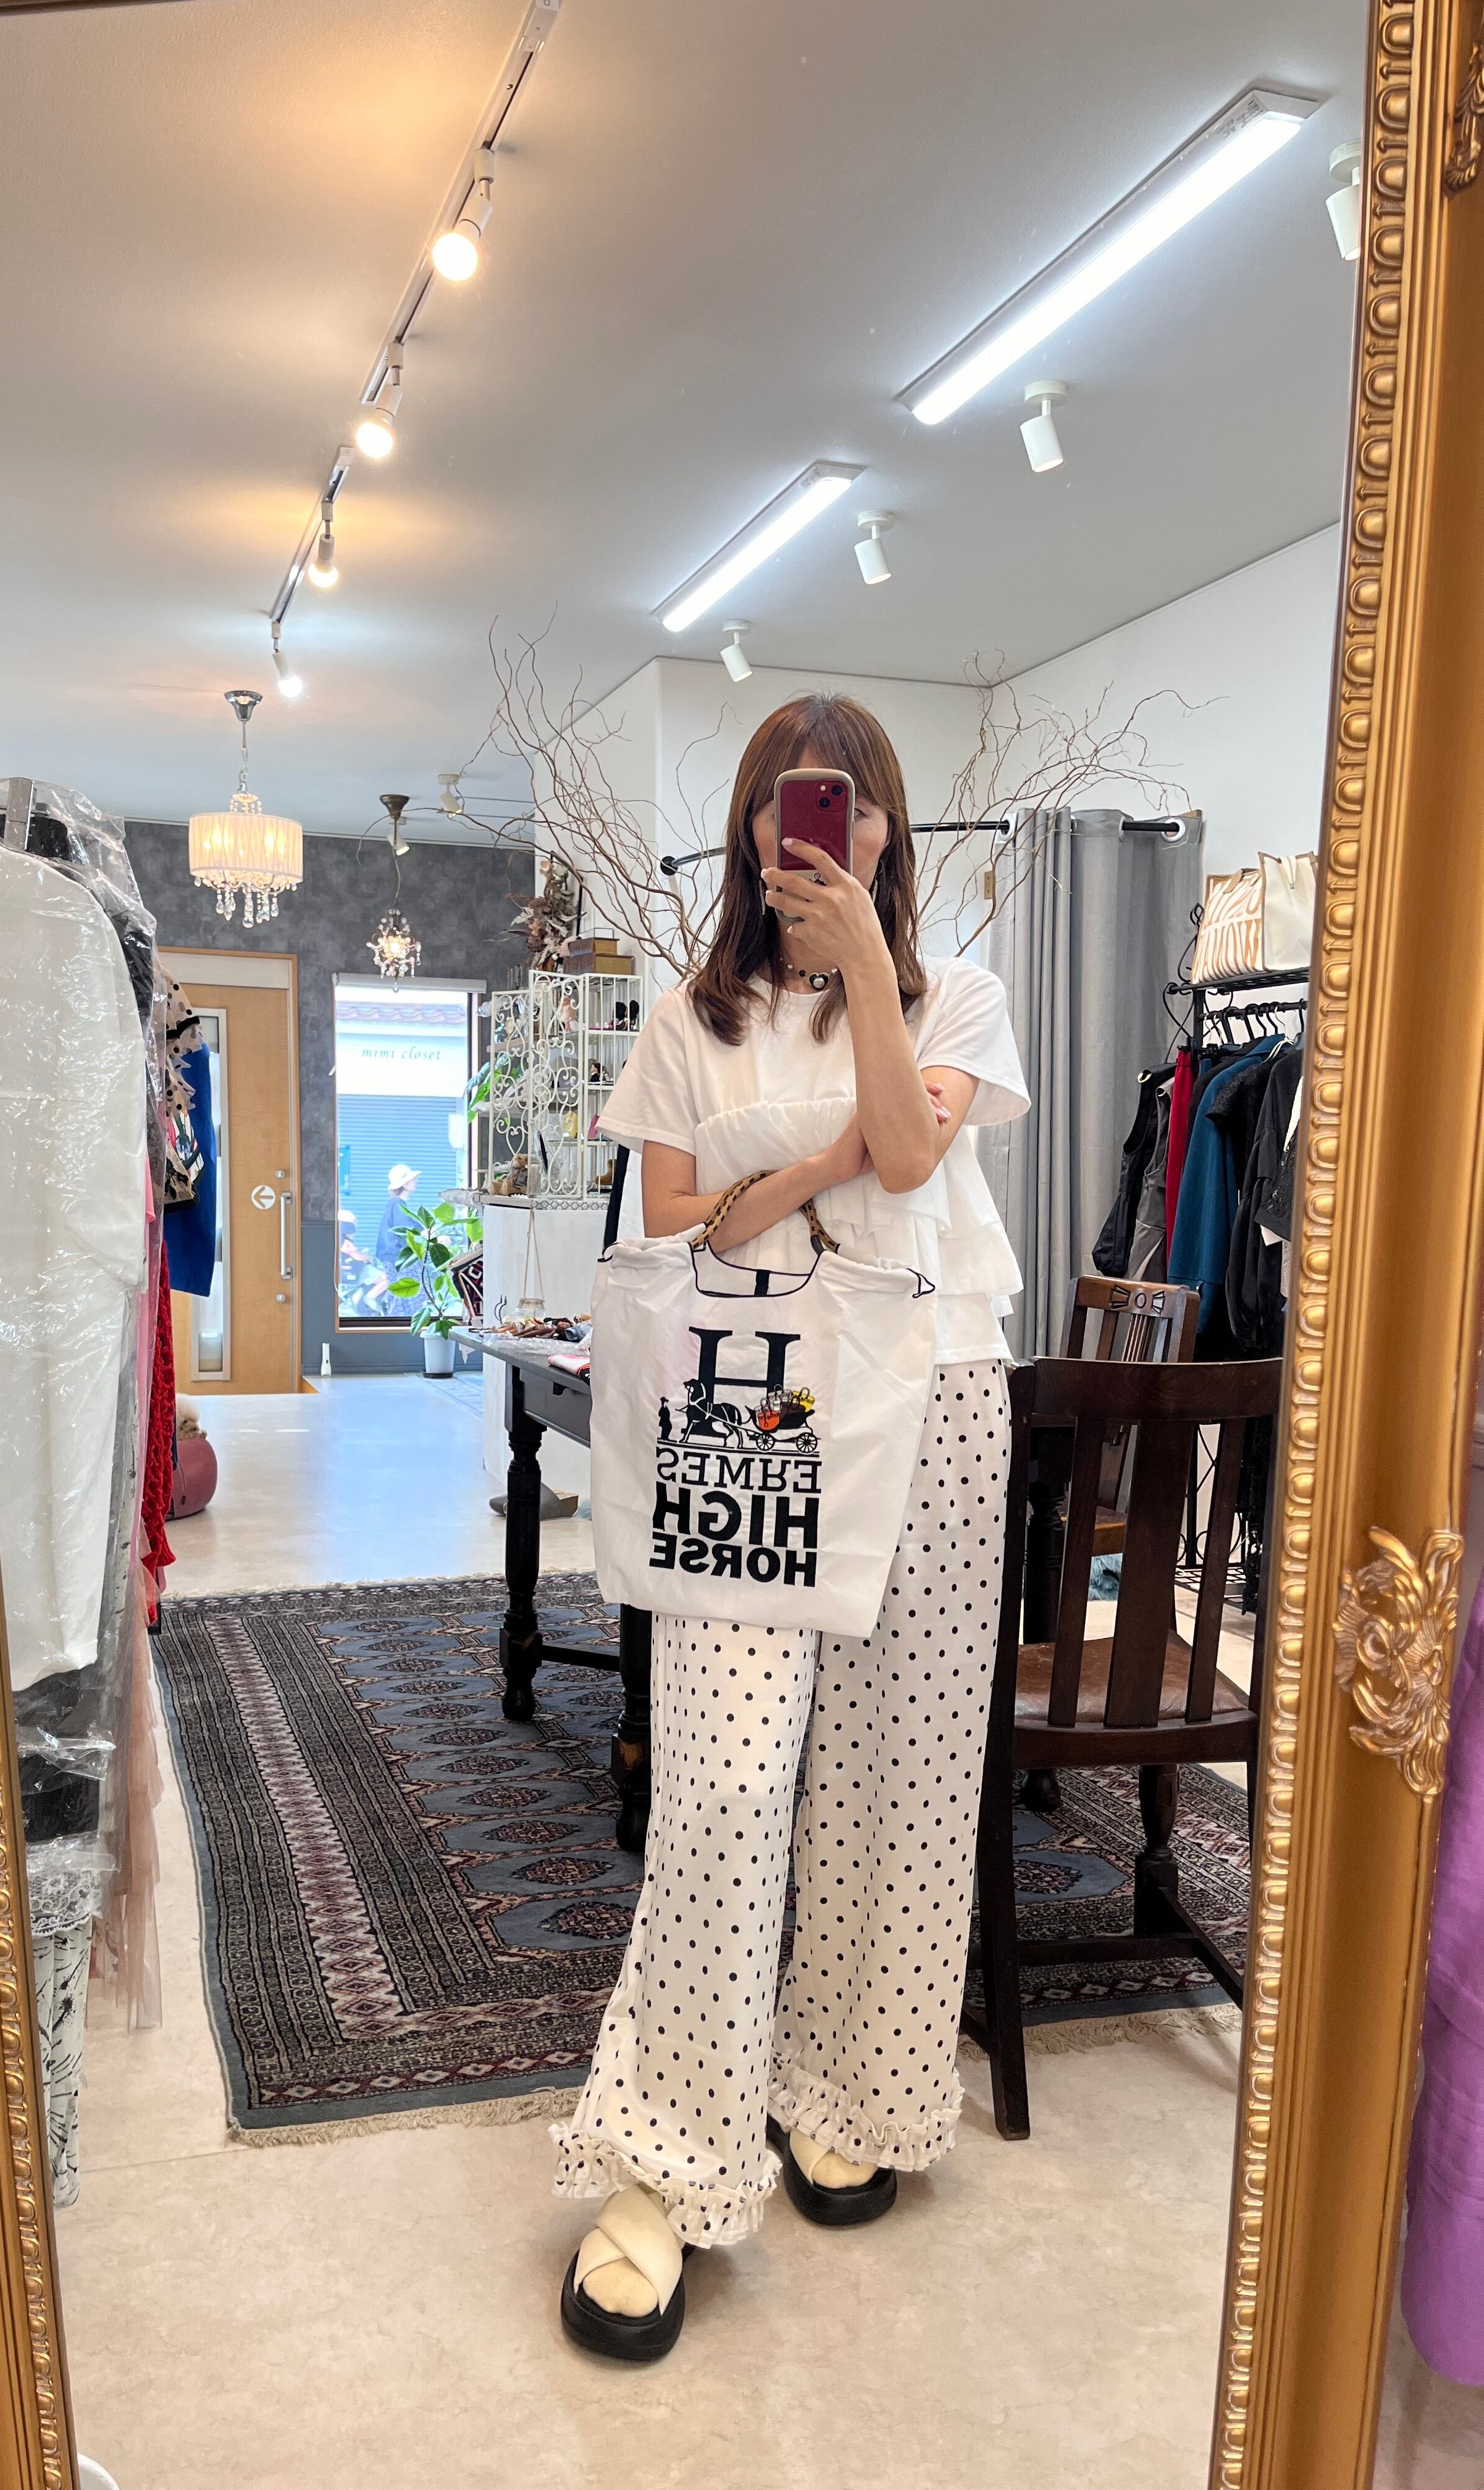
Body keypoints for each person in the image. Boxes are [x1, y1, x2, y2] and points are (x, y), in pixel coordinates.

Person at [551, 694, 1031, 2359]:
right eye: (784, 800)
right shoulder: (690, 1020)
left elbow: (903, 1154)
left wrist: (872, 1000)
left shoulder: (959, 992)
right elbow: (680, 1222)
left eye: (846, 803)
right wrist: (822, 1160)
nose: (814, 827)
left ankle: (848, 2086)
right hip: (750, 1400)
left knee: (902, 1776)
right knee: (729, 1779)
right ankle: (662, 2159)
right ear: (750, 827)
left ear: (886, 829)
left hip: (940, 1396)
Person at [375, 1163, 421, 1280]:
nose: (416, 1182)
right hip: (397, 1258)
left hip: (393, 1258)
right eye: (413, 1180)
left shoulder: (395, 1204)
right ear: (405, 1184)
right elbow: (407, 1230)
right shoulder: (398, 1205)